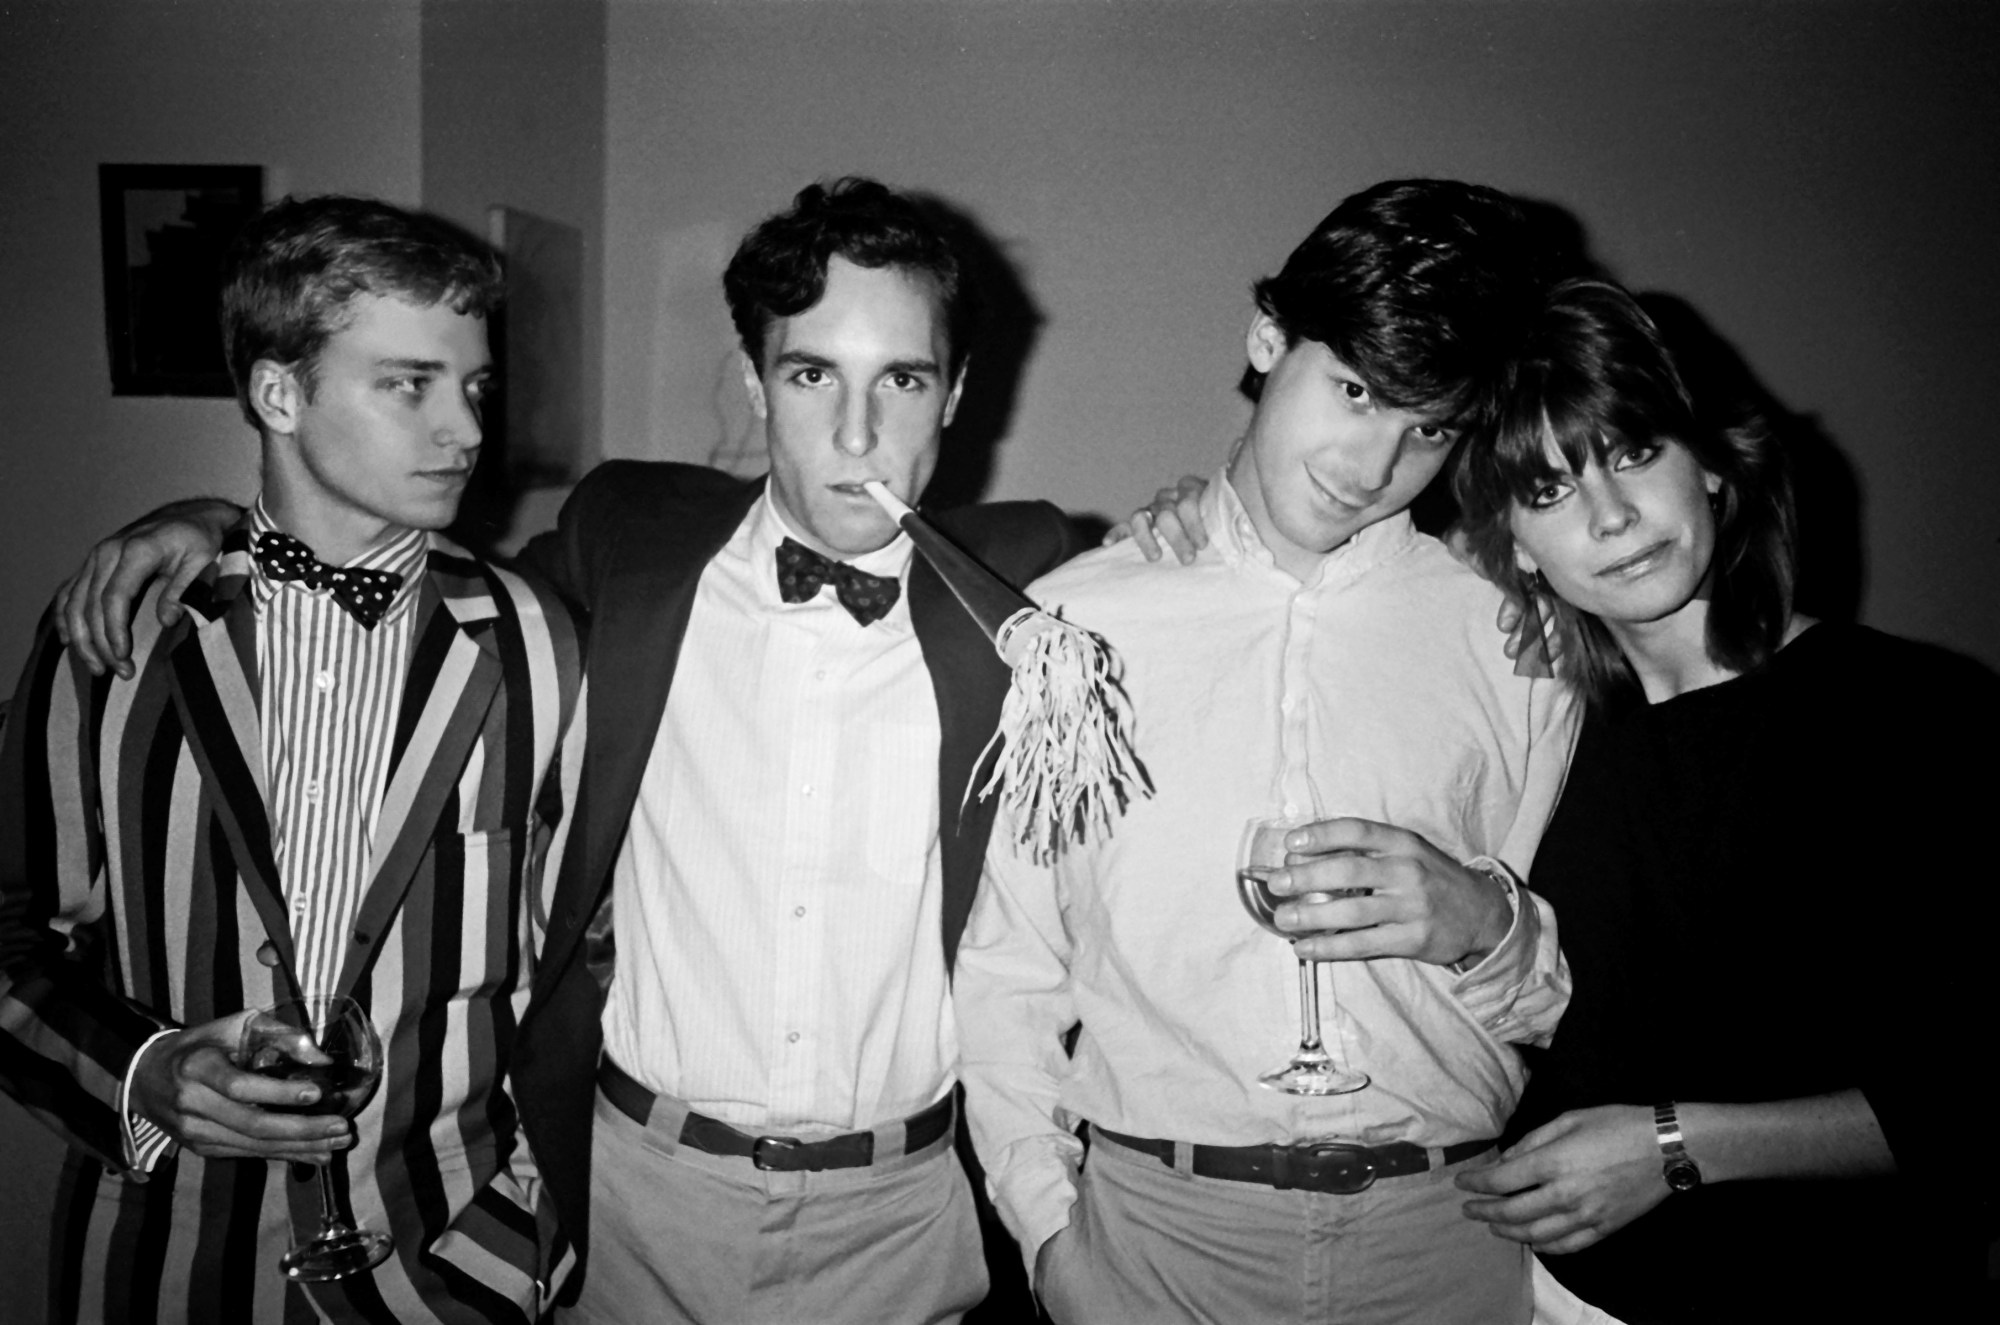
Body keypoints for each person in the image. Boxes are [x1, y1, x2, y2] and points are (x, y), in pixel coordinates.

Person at [49, 177, 1084, 1324]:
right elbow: (374, 570)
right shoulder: (623, 548)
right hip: (634, 1207)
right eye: (809, 374)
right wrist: (209, 521)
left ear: (954, 395)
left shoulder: (1033, 593)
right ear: (754, 383)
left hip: (905, 1221)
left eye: (902, 377)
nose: (857, 432)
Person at [955, 178, 1578, 1325]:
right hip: (1154, 1244)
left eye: (1426, 426)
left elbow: (1573, 1003)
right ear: (1265, 337)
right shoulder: (1077, 626)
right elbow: (1005, 976)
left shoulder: (1515, 640)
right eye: (1352, 390)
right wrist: (1051, 1238)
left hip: (1444, 1243)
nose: (1371, 461)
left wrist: (1488, 925)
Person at [0, 195, 583, 1324]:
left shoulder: (537, 641)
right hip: (165, 1267)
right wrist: (142, 1071)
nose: (464, 430)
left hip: (451, 1273)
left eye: (472, 387)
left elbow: (581, 970)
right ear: (278, 392)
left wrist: (527, 1235)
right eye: (408, 385)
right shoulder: (117, 634)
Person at [1437, 277, 1998, 1323]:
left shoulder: (1915, 713)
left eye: (1633, 452)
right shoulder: (1546, 734)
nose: (1608, 517)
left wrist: (1674, 1146)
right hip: (1558, 1296)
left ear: (1711, 465)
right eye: (1549, 491)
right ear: (1515, 543)